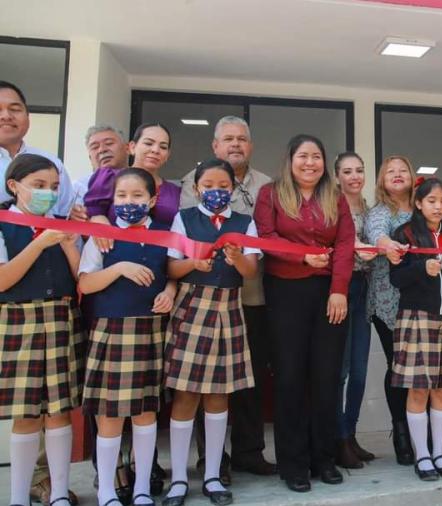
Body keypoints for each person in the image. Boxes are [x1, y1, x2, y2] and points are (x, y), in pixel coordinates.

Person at [254, 134, 354, 493]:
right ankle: (293, 464)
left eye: (316, 157)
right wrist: (301, 256)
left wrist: (339, 290)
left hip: (329, 294)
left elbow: (345, 244)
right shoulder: (270, 194)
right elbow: (265, 237)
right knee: (290, 378)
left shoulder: (336, 196)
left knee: (326, 378)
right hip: (286, 293)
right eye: (303, 156)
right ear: (290, 159)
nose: (310, 163)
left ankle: (323, 458)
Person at [180, 116, 275, 480]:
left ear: (250, 145)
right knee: (206, 381)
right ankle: (211, 459)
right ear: (215, 146)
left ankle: (249, 452)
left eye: (242, 139)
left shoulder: (266, 185)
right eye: (228, 139)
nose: (235, 144)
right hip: (204, 298)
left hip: (251, 296)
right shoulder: (192, 183)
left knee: (248, 379)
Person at [162, 159, 261, 506]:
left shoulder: (245, 223)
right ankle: (177, 479)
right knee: (186, 394)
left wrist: (236, 258)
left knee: (219, 394)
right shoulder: (184, 219)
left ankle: (213, 475)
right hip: (191, 307)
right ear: (197, 188)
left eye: (224, 185)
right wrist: (194, 263)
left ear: (233, 189)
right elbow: (171, 265)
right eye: (209, 185)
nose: (216, 191)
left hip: (228, 307)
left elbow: (250, 272)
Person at [77, 168, 175, 506]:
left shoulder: (165, 235)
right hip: (111, 329)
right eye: (121, 196)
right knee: (110, 414)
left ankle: (143, 487)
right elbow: (85, 284)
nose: (128, 203)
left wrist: (172, 290)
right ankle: (106, 490)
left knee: (147, 412)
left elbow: (172, 273)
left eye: (136, 196)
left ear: (152, 200)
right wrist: (119, 269)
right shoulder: (100, 236)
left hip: (150, 330)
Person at [0, 154, 82, 506]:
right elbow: (3, 279)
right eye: (38, 186)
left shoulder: (64, 225)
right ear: (13, 186)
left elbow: (84, 278)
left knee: (60, 410)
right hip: (19, 319)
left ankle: (59, 492)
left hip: (62, 316)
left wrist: (66, 243)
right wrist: (39, 242)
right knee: (26, 412)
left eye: (53, 187)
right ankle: (19, 496)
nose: (47, 193)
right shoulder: (4, 223)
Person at [389, 178, 442, 481]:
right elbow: (396, 279)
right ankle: (421, 455)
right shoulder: (406, 235)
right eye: (432, 201)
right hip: (417, 318)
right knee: (419, 389)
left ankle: (439, 452)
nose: (438, 207)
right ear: (419, 203)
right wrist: (420, 269)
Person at [364, 155, 416, 465]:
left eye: (403, 170)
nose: (397, 175)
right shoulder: (379, 212)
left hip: (422, 300)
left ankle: (422, 428)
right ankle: (400, 432)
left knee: (421, 369)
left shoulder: (425, 209)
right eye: (389, 171)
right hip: (388, 301)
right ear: (382, 180)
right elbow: (377, 235)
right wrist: (388, 245)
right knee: (399, 366)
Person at [333, 152, 377, 468]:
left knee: (360, 371)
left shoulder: (371, 209)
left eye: (359, 170)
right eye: (347, 171)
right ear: (337, 177)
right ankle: (337, 438)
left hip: (366, 288)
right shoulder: (331, 207)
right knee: (342, 370)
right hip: (341, 288)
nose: (354, 176)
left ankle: (350, 432)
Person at [0, 81, 78, 220]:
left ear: (27, 115)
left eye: (15, 109)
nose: (6, 116)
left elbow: (66, 214)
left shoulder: (51, 162)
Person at [86, 123, 181, 230]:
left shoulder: (175, 192)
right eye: (148, 143)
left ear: (167, 155)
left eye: (163, 147)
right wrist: (96, 218)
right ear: (132, 147)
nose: (155, 150)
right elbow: (89, 217)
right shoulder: (110, 178)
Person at [75, 125, 130, 202]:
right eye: (95, 147)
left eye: (109, 143)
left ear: (127, 148)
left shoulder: (142, 180)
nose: (102, 150)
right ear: (90, 158)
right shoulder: (79, 188)